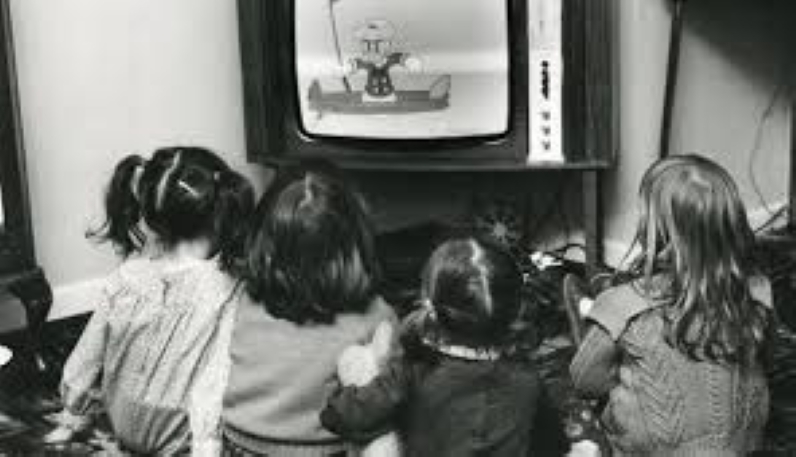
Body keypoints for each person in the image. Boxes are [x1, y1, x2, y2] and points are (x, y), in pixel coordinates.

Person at [46, 146, 255, 455]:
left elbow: (87, 356)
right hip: (179, 438)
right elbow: (216, 377)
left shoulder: (127, 276)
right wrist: (207, 444)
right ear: (222, 209)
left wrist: (72, 412)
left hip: (123, 423)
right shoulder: (227, 288)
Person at [569, 154, 774, 455]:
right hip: (740, 447)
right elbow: (765, 358)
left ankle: (591, 315)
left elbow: (585, 382)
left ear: (653, 228)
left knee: (594, 393)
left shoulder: (624, 305)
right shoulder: (759, 291)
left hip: (653, 450)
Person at [321, 236, 569, 457]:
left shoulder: (412, 370)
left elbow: (340, 417)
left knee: (358, 359)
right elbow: (554, 446)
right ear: (513, 312)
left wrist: (345, 395)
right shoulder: (529, 380)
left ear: (431, 306)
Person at [221, 161, 398, 456]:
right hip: (321, 450)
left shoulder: (239, 299)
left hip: (238, 444)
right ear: (354, 244)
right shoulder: (378, 317)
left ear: (263, 242)